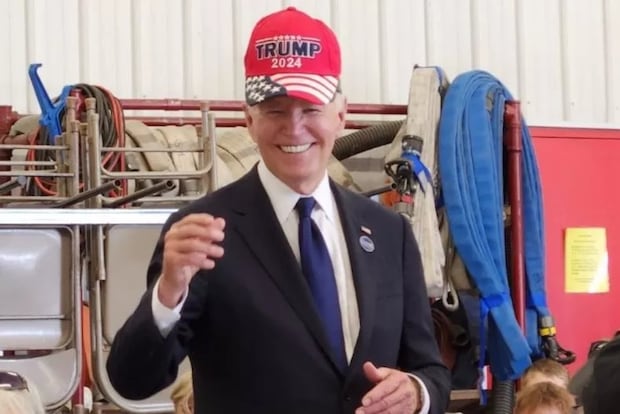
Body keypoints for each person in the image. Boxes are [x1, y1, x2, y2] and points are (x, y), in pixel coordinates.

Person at [106, 6, 450, 414]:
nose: (294, 127)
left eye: (310, 110)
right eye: (275, 110)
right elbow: (131, 379)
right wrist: (168, 291)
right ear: (247, 120)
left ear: (341, 115)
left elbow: (430, 370)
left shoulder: (389, 232)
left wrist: (417, 391)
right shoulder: (202, 232)